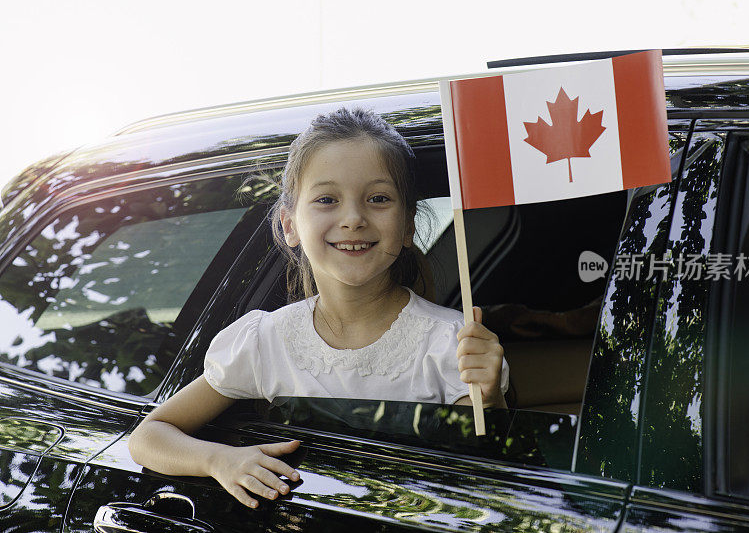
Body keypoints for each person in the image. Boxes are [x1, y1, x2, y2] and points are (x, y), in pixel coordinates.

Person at [128, 107, 509, 509]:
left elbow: (491, 476)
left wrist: (490, 400)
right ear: (290, 225)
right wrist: (219, 459)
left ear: (409, 224)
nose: (353, 219)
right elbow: (149, 436)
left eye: (378, 199)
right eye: (327, 199)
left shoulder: (455, 343)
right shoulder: (266, 340)